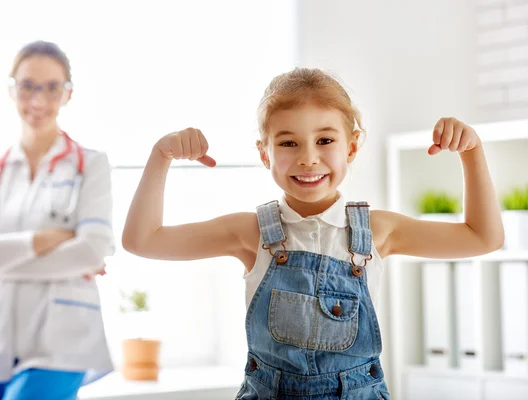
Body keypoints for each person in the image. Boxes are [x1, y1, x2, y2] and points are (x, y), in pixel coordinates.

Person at [121, 67, 505, 399]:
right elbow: (143, 240)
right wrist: (161, 156)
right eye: (288, 143)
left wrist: (471, 153)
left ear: (352, 146)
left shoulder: (380, 230)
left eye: (325, 140)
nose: (308, 157)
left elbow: (483, 237)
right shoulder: (249, 232)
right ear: (264, 153)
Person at [0, 40, 115, 400]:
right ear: (12, 90)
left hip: (61, 337)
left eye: (51, 88)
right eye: (27, 86)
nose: (38, 101)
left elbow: (89, 252)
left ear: (68, 94)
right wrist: (42, 241)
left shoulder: (91, 164)